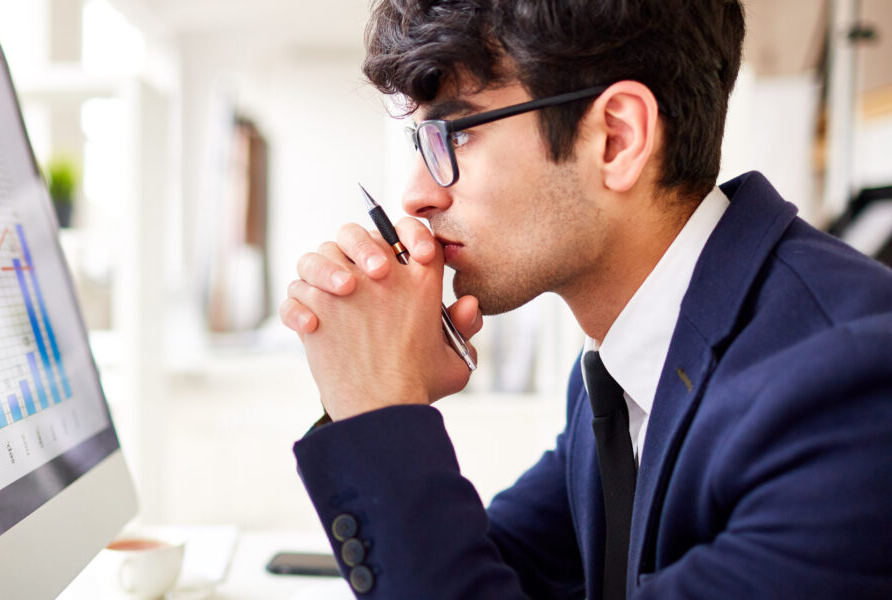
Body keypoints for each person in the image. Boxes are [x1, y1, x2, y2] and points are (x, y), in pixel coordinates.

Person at [278, 1, 892, 598]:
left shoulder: (849, 390)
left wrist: (377, 408)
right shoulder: (627, 363)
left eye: (453, 135)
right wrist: (372, 385)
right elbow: (497, 574)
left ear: (617, 139)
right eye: (421, 144)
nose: (414, 196)